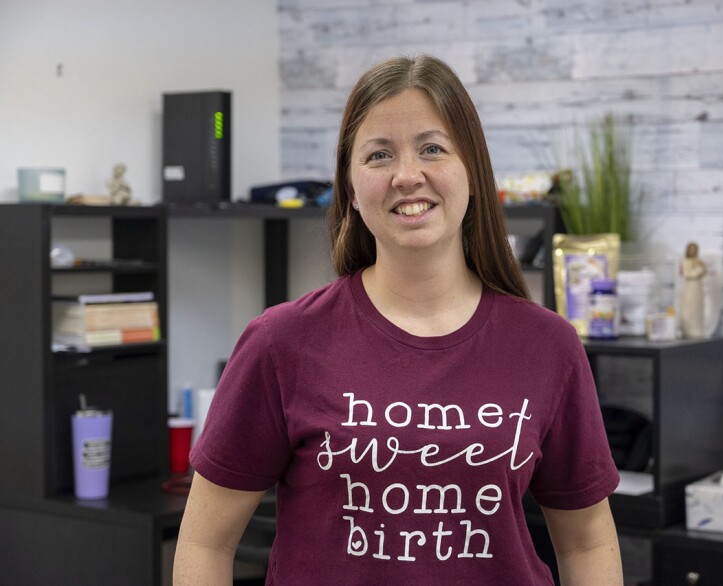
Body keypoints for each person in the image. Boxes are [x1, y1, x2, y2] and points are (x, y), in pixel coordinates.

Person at [174, 54, 623, 585]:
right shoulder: (282, 342)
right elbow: (204, 543)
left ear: (473, 171)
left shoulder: (547, 346)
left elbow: (588, 543)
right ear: (351, 187)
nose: (408, 176)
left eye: (433, 148)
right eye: (379, 155)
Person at [680, 241, 707, 339]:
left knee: (698, 308)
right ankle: (688, 329)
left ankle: (698, 329)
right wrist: (699, 270)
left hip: (698, 287)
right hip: (690, 286)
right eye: (691, 249)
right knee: (689, 308)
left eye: (694, 249)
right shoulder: (685, 261)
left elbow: (704, 272)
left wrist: (701, 268)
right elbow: (687, 274)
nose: (692, 251)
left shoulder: (699, 261)